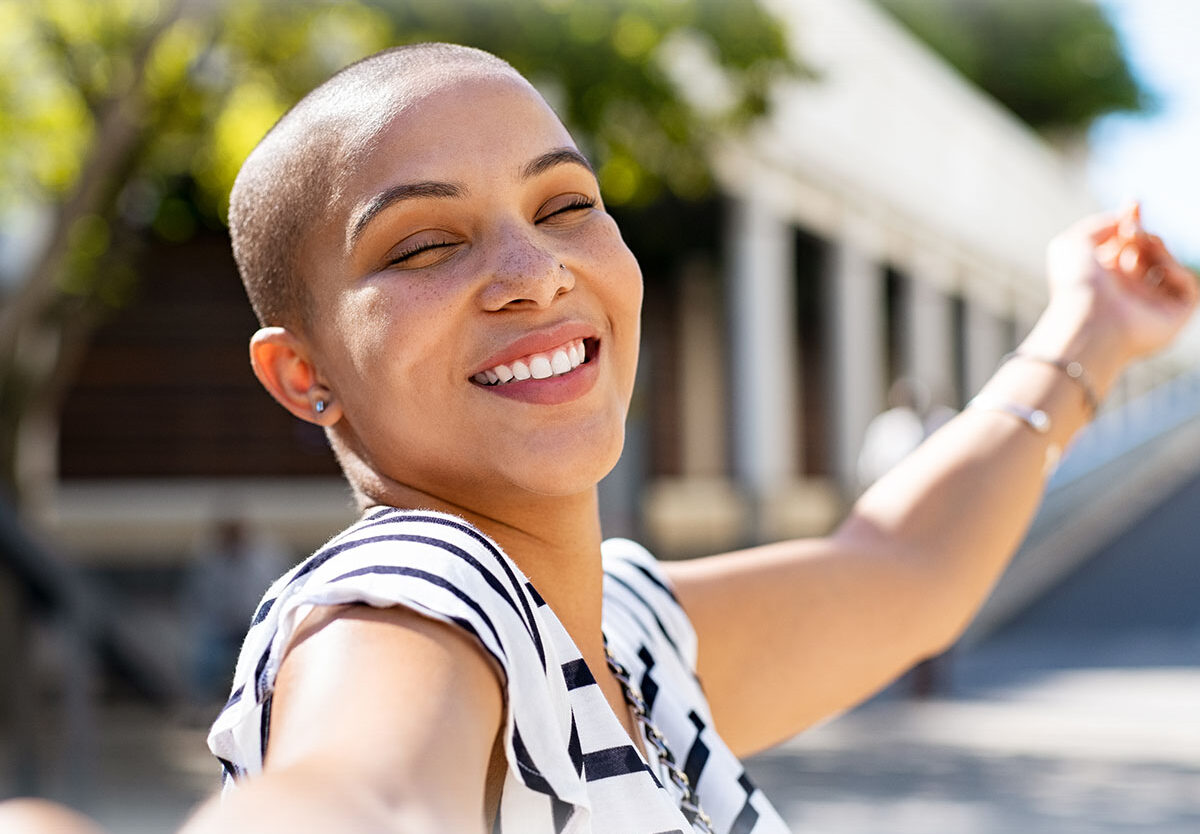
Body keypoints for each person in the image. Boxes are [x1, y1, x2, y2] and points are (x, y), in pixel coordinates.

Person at [3, 42, 1195, 834]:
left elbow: (904, 573)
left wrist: (1092, 325)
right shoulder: (416, 594)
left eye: (566, 205)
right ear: (304, 375)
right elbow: (355, 792)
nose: (533, 274)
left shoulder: (621, 633)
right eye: (425, 245)